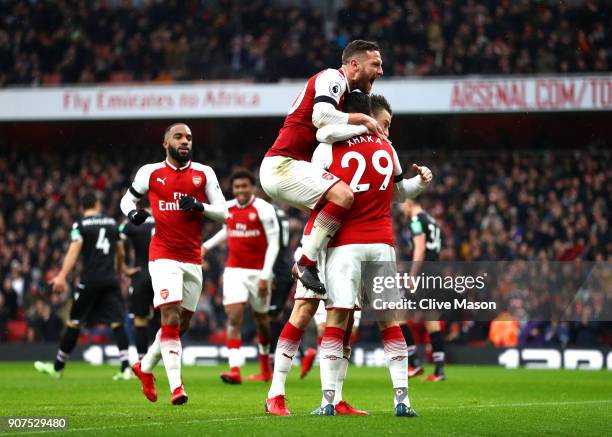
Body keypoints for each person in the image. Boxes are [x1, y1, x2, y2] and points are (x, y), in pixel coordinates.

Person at [266, 93, 431, 417]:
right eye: (384, 122)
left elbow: (317, 193)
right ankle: (277, 393)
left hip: (338, 242)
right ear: (367, 115)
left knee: (337, 319)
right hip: (357, 243)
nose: (386, 129)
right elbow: (399, 193)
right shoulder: (385, 148)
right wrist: (421, 183)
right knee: (313, 313)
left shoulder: (328, 146)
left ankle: (332, 399)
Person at [259, 40, 385, 294]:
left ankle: (316, 280)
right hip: (282, 164)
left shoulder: (345, 93)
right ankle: (305, 262)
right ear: (354, 65)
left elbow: (325, 133)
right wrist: (362, 119)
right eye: (376, 64)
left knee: (338, 216)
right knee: (343, 196)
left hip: (289, 167)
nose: (381, 71)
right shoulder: (332, 78)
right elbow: (320, 116)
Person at [120, 123, 228, 405]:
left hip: (192, 258)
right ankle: (176, 387)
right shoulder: (150, 172)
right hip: (162, 255)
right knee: (168, 318)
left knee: (181, 325)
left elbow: (225, 213)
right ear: (165, 142)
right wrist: (132, 212)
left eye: (189, 138)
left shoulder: (204, 173)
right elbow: (126, 199)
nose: (185, 142)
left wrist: (200, 206)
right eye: (178, 137)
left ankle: (144, 369)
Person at [34, 191, 134, 381]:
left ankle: (57, 367)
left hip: (90, 279)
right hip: (111, 279)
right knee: (117, 322)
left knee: (74, 322)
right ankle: (125, 368)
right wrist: (122, 270)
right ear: (97, 204)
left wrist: (62, 276)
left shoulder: (79, 225)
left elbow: (74, 250)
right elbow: (120, 251)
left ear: (82, 207)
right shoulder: (113, 223)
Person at [202, 169, 280, 384]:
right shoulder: (228, 208)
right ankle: (234, 369)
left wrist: (265, 276)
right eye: (237, 187)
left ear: (252, 187)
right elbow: (228, 230)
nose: (240, 190)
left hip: (259, 273)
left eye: (244, 186)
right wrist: (206, 247)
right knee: (234, 317)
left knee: (261, 320)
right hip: (235, 270)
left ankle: (265, 367)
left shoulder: (264, 209)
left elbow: (274, 243)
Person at [401, 198, 446, 381]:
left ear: (409, 203)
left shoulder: (416, 220)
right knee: (432, 321)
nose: (401, 209)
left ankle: (413, 364)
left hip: (423, 272)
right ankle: (439, 371)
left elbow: (419, 249)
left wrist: (412, 275)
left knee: (397, 315)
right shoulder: (432, 220)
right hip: (435, 270)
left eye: (402, 204)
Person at [119, 199, 155, 360]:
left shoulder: (133, 222)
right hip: (164, 274)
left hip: (140, 274)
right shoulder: (167, 217)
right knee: (168, 319)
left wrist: (124, 268)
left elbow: (116, 241)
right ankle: (170, 358)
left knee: (140, 320)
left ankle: (143, 363)